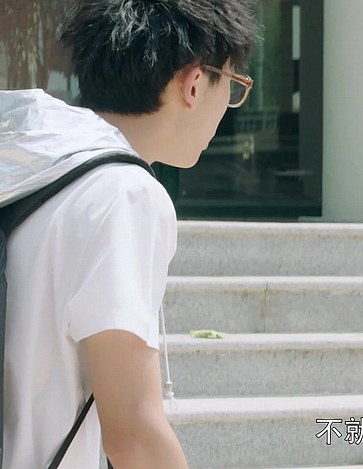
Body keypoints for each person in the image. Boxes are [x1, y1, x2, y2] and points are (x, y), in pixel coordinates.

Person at [0, 1, 256, 467]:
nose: (228, 106)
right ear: (194, 83)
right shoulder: (124, 194)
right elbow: (133, 434)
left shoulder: (26, 160)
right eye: (233, 85)